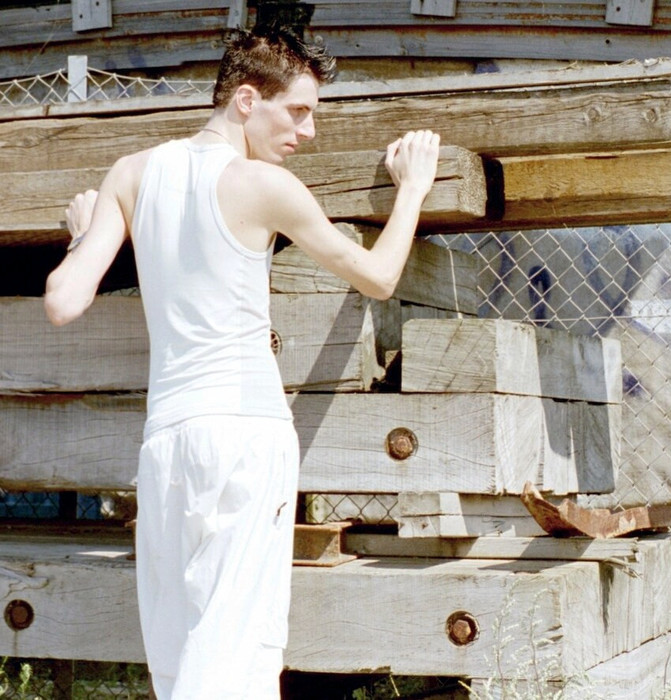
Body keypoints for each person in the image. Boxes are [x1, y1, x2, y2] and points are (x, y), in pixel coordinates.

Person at [45, 24, 440, 700]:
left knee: (179, 657)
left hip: (168, 444)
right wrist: (412, 189)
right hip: (245, 438)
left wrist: (85, 238)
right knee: (238, 655)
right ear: (247, 101)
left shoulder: (131, 174)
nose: (308, 132)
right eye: (299, 110)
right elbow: (375, 275)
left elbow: (63, 300)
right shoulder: (264, 185)